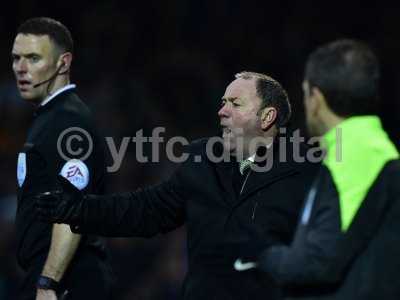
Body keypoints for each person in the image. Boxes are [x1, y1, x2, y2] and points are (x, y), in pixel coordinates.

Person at [35, 71, 319, 299]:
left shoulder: (307, 172)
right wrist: (78, 209)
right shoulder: (202, 161)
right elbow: (144, 210)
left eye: (235, 103)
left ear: (267, 117)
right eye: (222, 102)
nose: (222, 111)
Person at [243, 40, 400, 299]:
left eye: (304, 94)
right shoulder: (361, 152)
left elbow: (317, 262)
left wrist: (257, 252)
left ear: (315, 99)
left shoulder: (357, 156)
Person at [12, 17, 113, 300]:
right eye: (16, 58)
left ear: (63, 63)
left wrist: (48, 282)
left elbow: (72, 208)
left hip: (68, 279)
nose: (21, 68)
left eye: (33, 58)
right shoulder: (50, 118)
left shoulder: (67, 120)